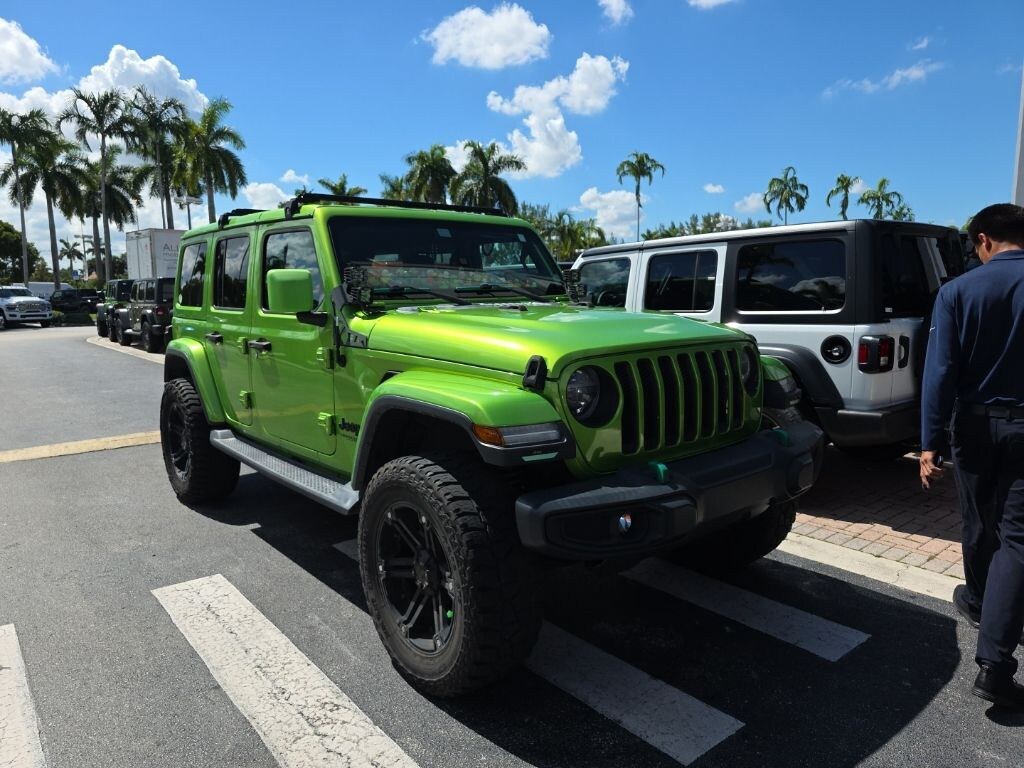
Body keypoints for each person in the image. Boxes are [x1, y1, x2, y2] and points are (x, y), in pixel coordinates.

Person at [920, 203, 1024, 709]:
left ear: (984, 240)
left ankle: (983, 602)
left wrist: (928, 442)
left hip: (977, 426)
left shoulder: (957, 291)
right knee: (1018, 537)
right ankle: (995, 661)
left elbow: (940, 373)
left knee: (979, 525)